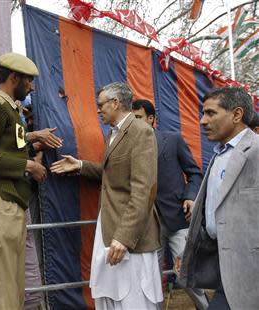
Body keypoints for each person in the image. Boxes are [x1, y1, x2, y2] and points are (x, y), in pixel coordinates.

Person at [50, 82, 163, 309]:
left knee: (133, 299)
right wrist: (80, 165)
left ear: (115, 103)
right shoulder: (114, 133)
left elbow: (144, 189)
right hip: (110, 226)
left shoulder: (141, 132)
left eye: (100, 105)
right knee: (110, 296)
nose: (98, 110)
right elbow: (112, 173)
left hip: (130, 235)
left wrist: (124, 237)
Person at [0, 52, 61, 310]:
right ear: (13, 78)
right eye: (28, 81)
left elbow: (8, 152)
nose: (31, 87)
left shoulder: (12, 110)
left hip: (10, 204)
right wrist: (28, 164)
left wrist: (33, 150)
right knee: (0, 293)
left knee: (11, 291)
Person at [176, 87, 259, 309]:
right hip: (223, 264)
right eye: (203, 113)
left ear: (237, 115)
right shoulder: (219, 154)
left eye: (211, 113)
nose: (203, 121)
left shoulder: (256, 150)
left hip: (250, 268)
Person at [132, 100, 208, 309]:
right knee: (150, 281)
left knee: (185, 274)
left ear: (151, 118)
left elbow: (194, 173)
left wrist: (190, 197)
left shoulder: (173, 140)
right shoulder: (128, 147)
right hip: (146, 224)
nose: (134, 124)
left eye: (138, 118)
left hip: (177, 218)